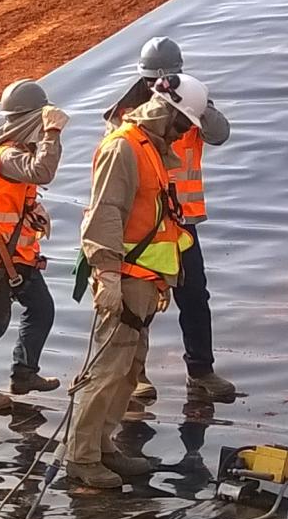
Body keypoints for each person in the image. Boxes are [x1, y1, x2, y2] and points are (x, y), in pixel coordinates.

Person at [64, 76, 208, 488]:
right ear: (165, 110)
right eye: (182, 125)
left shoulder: (151, 151)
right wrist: (107, 274)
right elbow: (105, 213)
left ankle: (103, 446)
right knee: (107, 370)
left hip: (145, 280)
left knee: (126, 372)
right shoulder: (123, 147)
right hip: (124, 278)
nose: (183, 134)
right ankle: (82, 456)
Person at [103, 36, 236, 402]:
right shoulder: (126, 115)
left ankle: (201, 370)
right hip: (144, 223)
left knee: (194, 295)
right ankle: (135, 376)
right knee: (138, 300)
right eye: (151, 82)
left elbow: (220, 133)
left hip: (181, 222)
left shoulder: (191, 102)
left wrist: (198, 104)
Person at [0, 79, 69, 412]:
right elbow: (43, 171)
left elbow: (19, 192)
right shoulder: (7, 154)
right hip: (1, 258)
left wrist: (32, 210)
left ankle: (24, 373)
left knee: (41, 310)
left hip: (18, 256)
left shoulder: (15, 152)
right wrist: (52, 134)